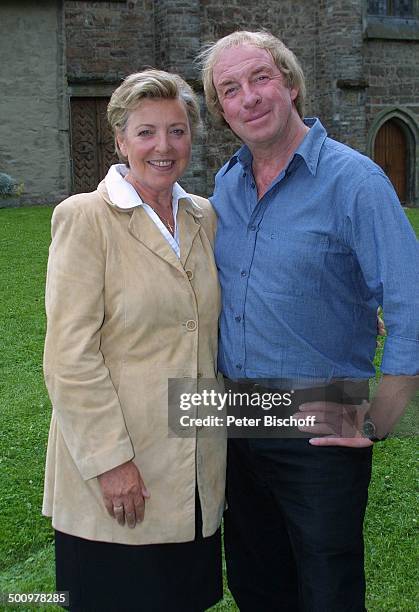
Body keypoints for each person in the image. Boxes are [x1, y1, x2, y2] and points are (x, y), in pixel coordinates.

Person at [199, 30, 419, 611]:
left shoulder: (356, 182)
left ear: (291, 84)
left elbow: (409, 302)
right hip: (234, 414)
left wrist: (380, 420)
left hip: (322, 408)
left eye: (261, 78)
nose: (249, 96)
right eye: (230, 88)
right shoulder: (226, 186)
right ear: (222, 109)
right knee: (255, 582)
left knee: (327, 590)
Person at [42, 69, 226, 612]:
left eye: (177, 131)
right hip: (121, 479)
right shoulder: (85, 218)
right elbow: (69, 357)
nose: (163, 147)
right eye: (146, 132)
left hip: (193, 475)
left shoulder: (203, 216)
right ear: (121, 140)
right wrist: (111, 463)